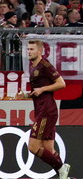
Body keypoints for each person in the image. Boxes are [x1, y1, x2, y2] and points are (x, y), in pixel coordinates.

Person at [21, 39, 69, 179]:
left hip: (46, 110)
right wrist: (28, 94)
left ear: (40, 51)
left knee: (33, 147)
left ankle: (61, 167)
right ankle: (63, 174)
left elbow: (61, 83)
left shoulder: (45, 65)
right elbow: (39, 91)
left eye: (32, 49)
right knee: (49, 149)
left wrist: (42, 89)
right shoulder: (33, 67)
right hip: (42, 108)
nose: (29, 52)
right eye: (28, 49)